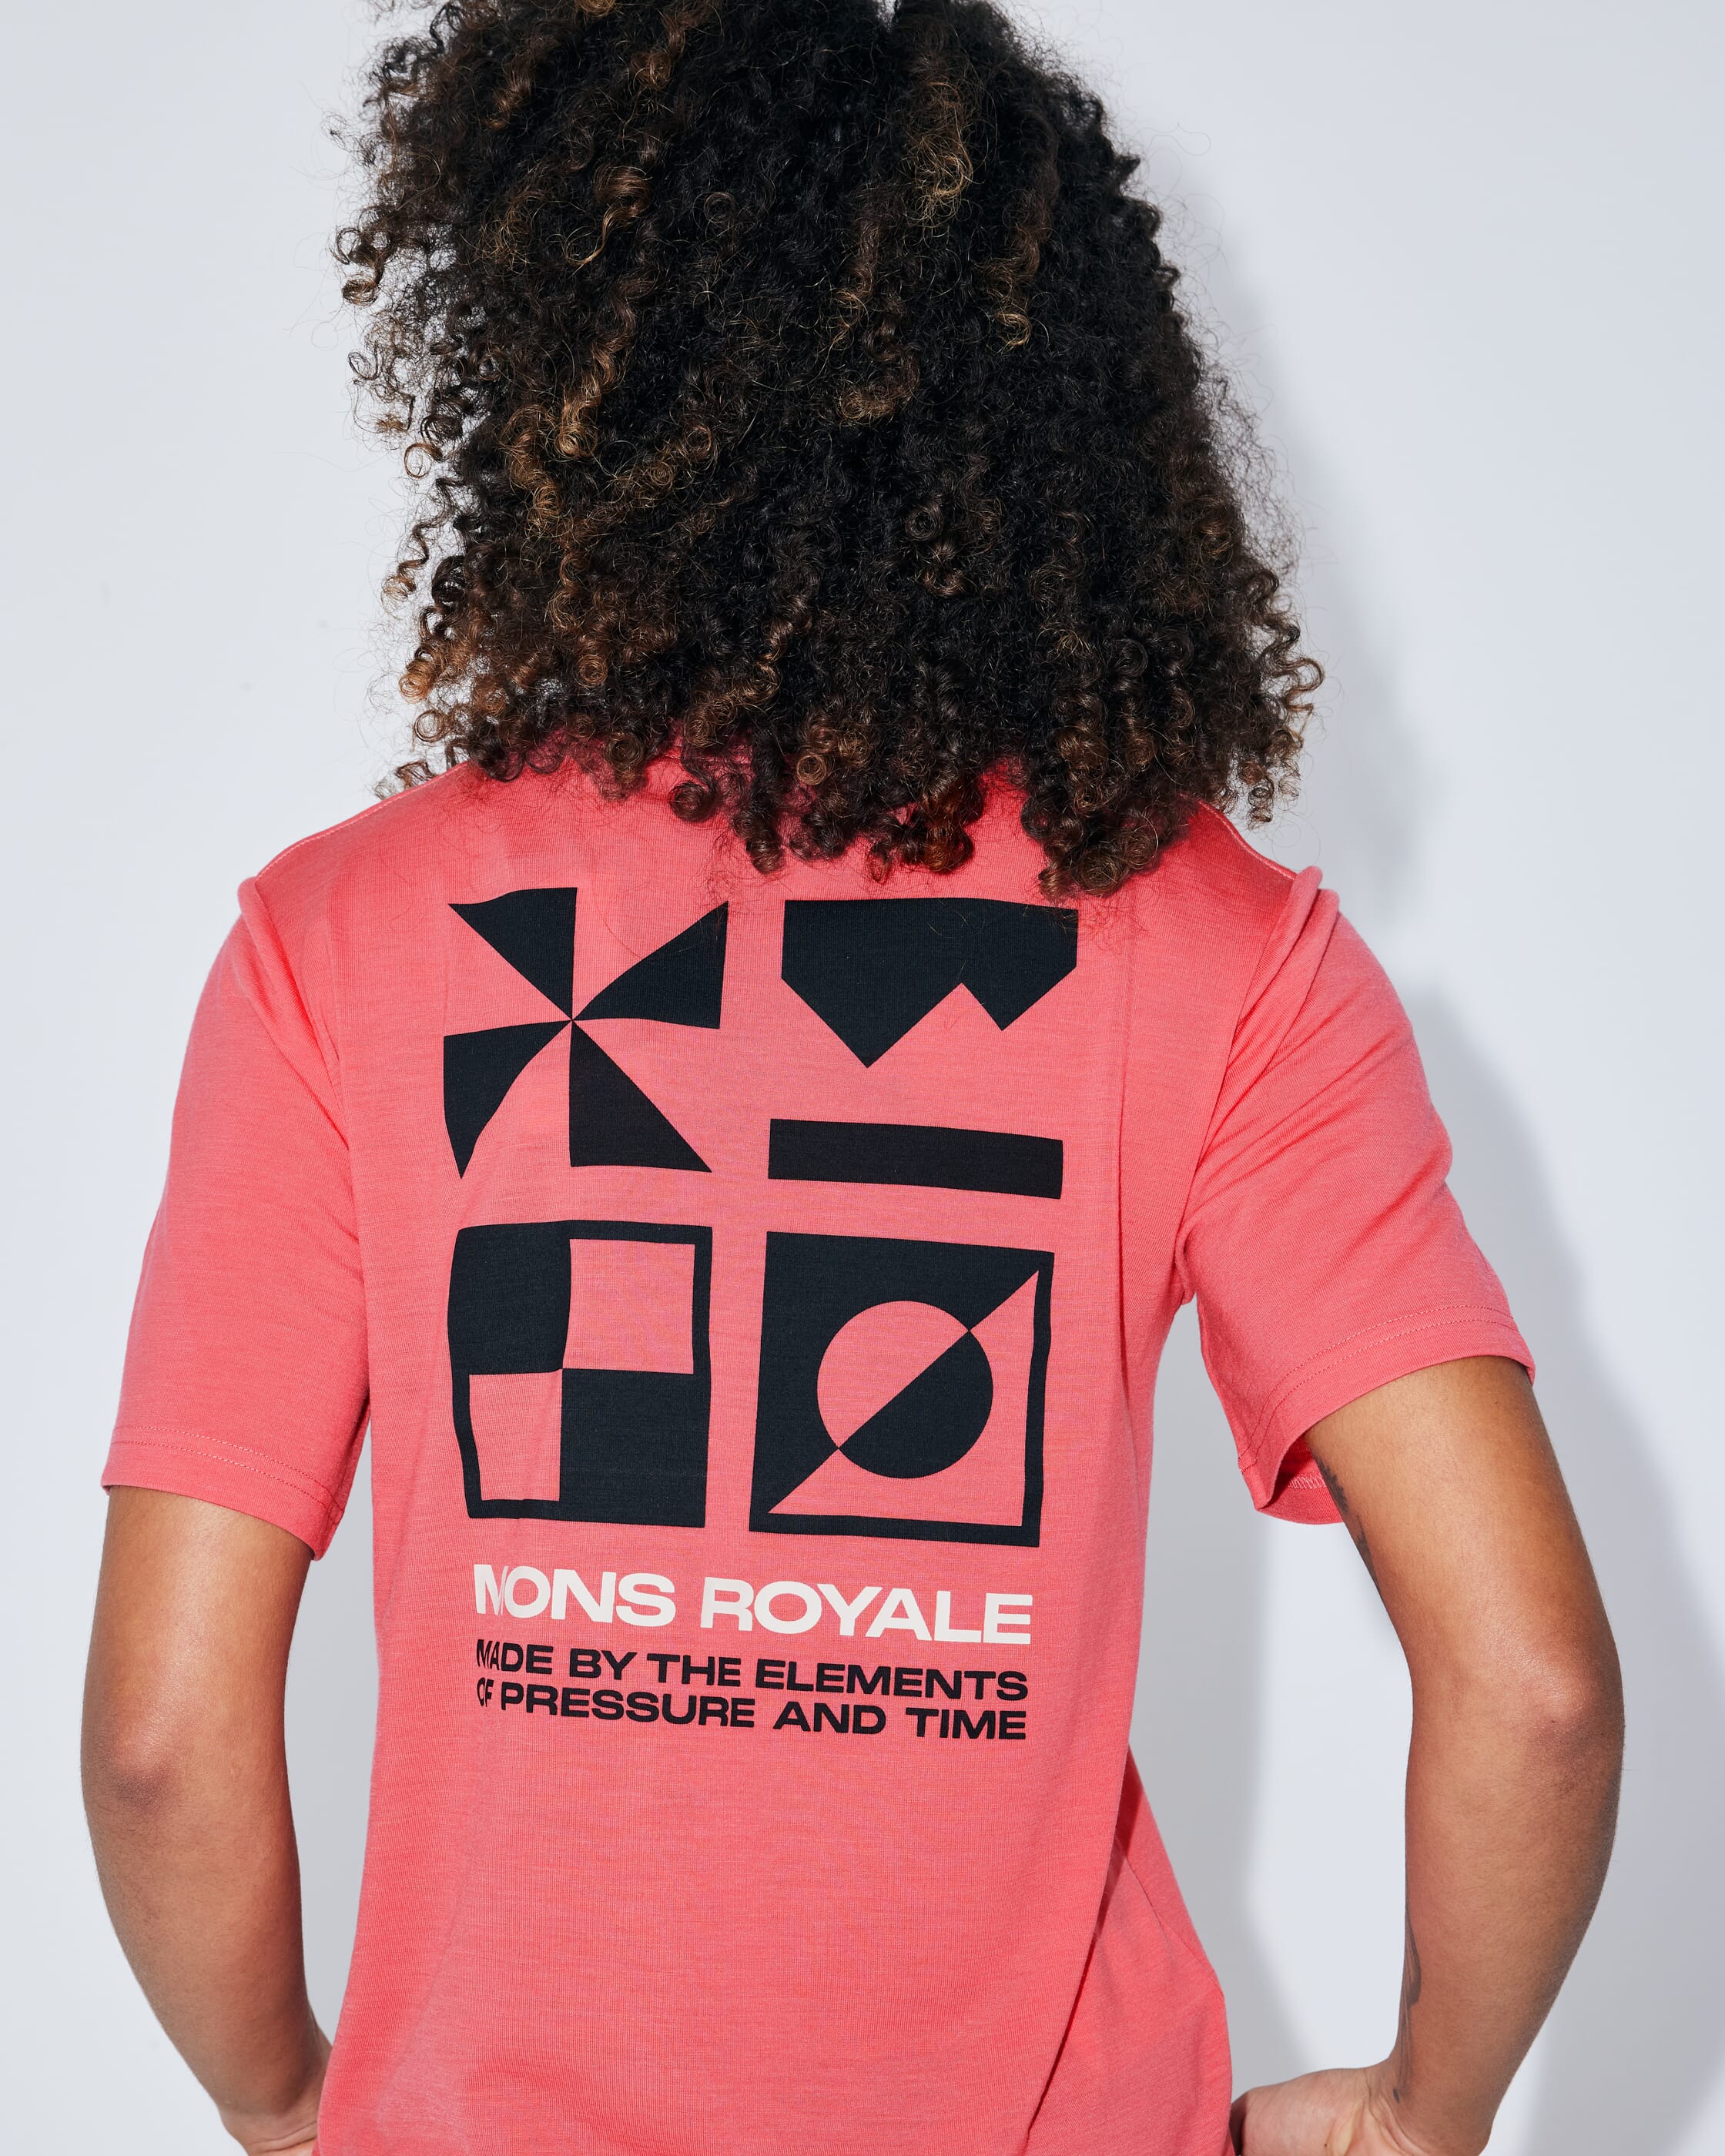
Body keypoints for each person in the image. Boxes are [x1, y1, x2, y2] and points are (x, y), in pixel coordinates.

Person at [81, 4, 1623, 2152]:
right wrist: (1417, 2120)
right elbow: (1536, 1691)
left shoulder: (339, 942)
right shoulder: (1225, 951)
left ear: (558, 376)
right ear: (1068, 407)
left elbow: (158, 1740)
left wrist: (291, 2104)